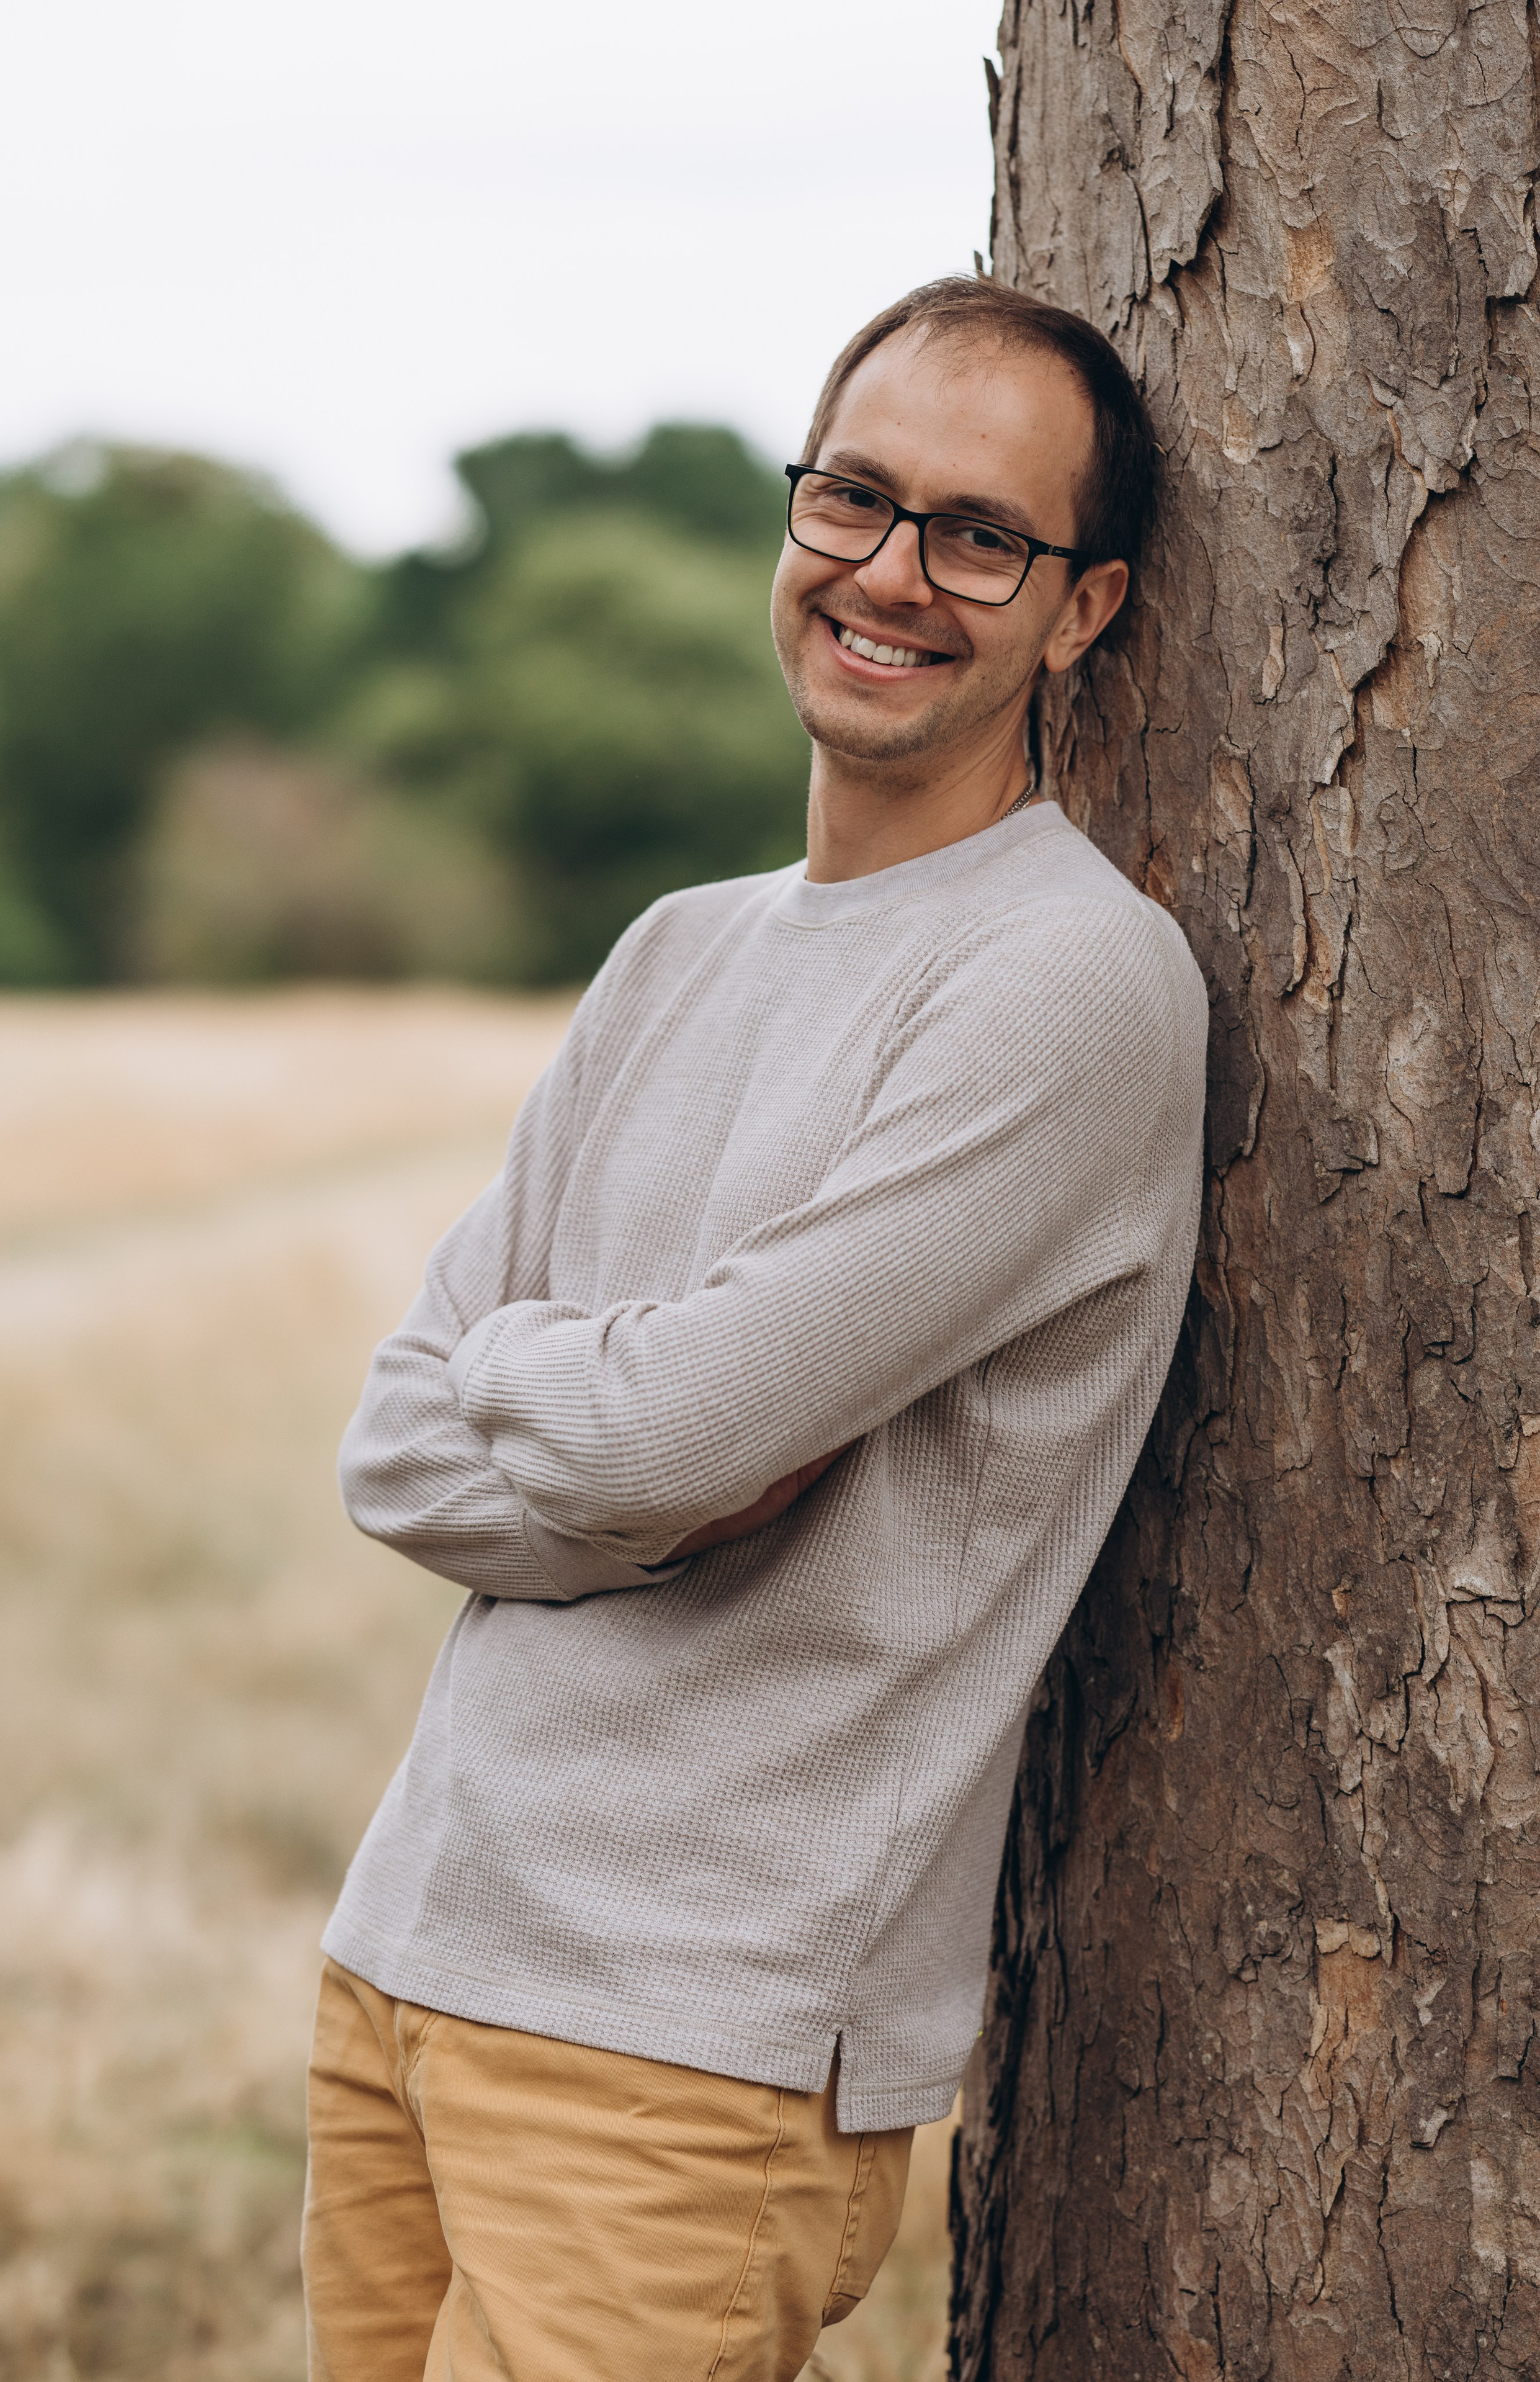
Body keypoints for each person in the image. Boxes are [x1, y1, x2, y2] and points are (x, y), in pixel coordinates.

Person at [303, 276, 1207, 2382]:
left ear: (1083, 613)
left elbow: (663, 1435)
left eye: (981, 535)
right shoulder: (673, 953)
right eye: (856, 501)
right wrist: (618, 1426)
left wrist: (587, 1415)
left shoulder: (1068, 985)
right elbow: (397, 1444)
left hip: (688, 2046)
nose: (894, 576)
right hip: (409, 1948)